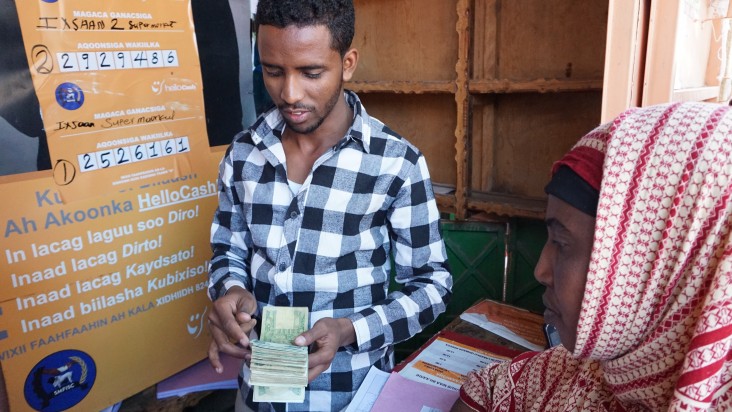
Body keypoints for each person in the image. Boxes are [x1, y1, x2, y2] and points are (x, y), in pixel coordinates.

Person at [206, 0, 453, 410]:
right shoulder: (244, 154)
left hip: (349, 396)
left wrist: (349, 329)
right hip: (256, 394)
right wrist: (230, 289)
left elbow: (432, 285)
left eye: (312, 72)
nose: (289, 93)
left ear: (348, 63)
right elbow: (227, 249)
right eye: (272, 70)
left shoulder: (395, 163)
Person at [452, 102, 732, 411]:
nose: (541, 271)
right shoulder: (599, 371)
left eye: (561, 242)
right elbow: (488, 387)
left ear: (654, 269)